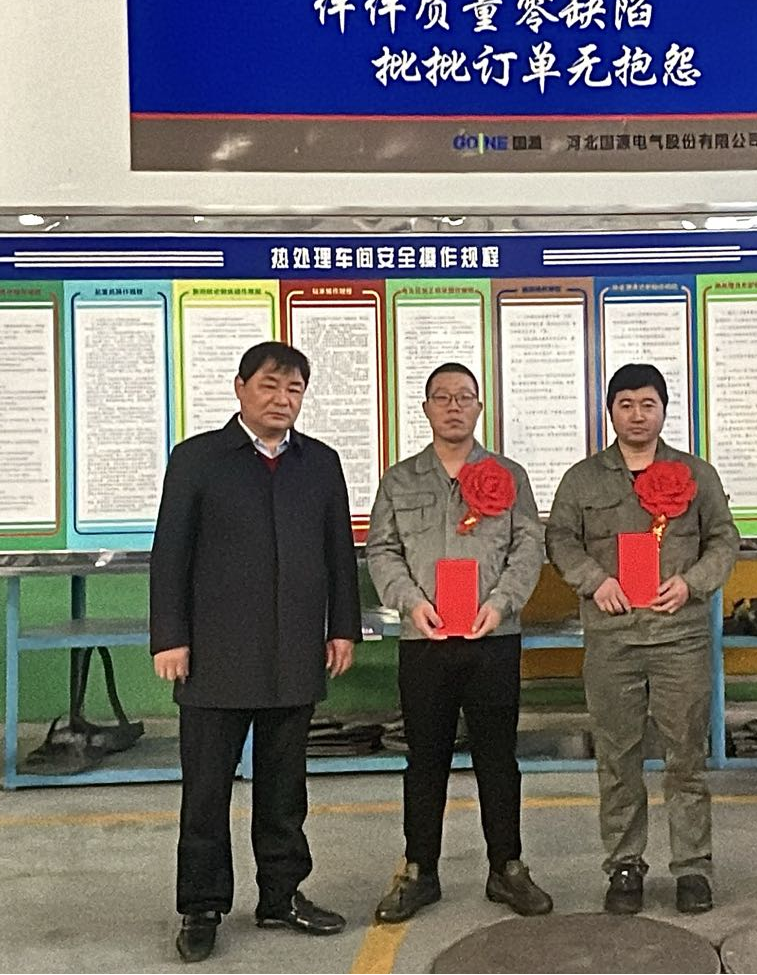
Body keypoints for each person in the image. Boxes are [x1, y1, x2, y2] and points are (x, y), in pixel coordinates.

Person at [149, 341, 363, 962]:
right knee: (206, 792)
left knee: (285, 790)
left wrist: (343, 628)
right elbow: (171, 553)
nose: (282, 399)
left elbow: (338, 554)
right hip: (213, 657)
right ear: (240, 388)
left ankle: (281, 895)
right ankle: (201, 906)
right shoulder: (197, 460)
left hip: (293, 652)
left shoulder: (319, 463)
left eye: (294, 389)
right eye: (269, 385)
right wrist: (170, 636)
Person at [546, 363, 740, 916]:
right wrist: (595, 580)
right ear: (610, 411)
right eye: (625, 404)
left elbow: (724, 540)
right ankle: (625, 865)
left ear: (664, 410)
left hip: (680, 636)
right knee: (617, 756)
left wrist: (692, 583)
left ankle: (693, 867)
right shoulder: (583, 480)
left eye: (648, 404)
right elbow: (560, 539)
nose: (637, 414)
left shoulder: (696, 474)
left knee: (686, 756)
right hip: (612, 639)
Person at [365, 362, 554, 923]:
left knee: (498, 758)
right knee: (425, 759)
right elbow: (382, 549)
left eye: (464, 396)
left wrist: (501, 603)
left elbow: (528, 547)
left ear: (479, 407)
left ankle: (507, 868)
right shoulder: (400, 480)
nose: (453, 406)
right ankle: (419, 870)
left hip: (492, 637)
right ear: (426, 408)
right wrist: (409, 602)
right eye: (442, 397)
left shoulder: (508, 475)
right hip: (424, 639)